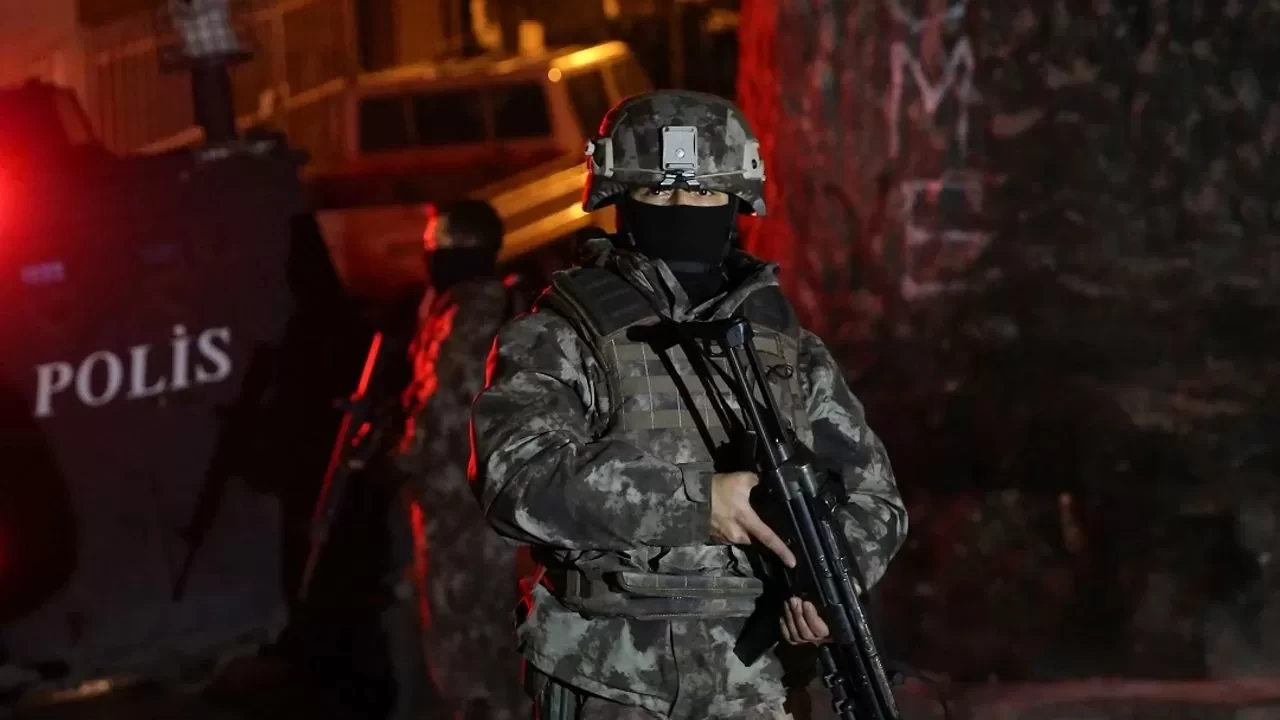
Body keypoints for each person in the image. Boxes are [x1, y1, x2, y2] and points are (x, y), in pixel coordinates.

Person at [469, 90, 909, 719]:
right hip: (614, 682)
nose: (682, 208)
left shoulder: (786, 348)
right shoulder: (560, 334)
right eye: (658, 191)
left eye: (704, 192)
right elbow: (515, 478)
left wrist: (829, 581)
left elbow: (876, 501)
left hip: (762, 687)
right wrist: (699, 503)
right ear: (619, 198)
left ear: (735, 201)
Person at [388, 199, 529, 720]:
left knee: (469, 646)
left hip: (463, 512)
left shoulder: (470, 315)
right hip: (473, 507)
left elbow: (446, 414)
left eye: (436, 246)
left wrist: (401, 460)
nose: (429, 257)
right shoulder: (471, 308)